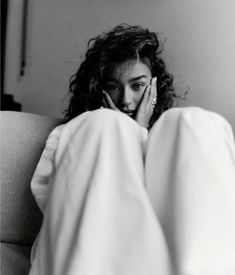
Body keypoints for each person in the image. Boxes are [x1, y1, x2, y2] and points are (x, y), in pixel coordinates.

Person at [29, 24, 235, 275]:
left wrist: (141, 133)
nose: (125, 100)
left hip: (169, 257)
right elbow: (60, 206)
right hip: (94, 253)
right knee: (103, 124)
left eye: (137, 86)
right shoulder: (77, 133)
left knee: (191, 122)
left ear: (154, 88)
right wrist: (130, 132)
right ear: (99, 88)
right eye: (114, 86)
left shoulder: (173, 143)